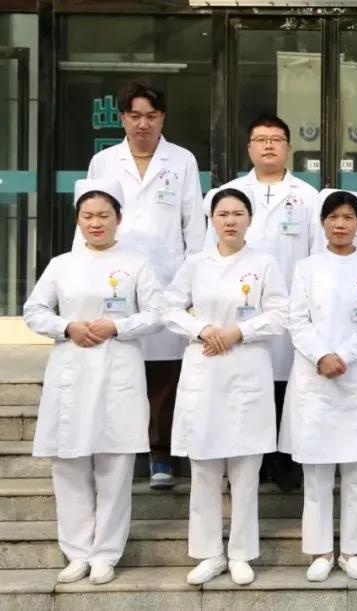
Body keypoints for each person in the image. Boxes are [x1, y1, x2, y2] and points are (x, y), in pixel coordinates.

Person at [25, 179, 163, 585]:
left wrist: (116, 326)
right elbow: (34, 310)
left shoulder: (136, 262)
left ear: (119, 218)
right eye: (88, 216)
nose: (96, 223)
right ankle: (77, 552)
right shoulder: (61, 264)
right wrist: (67, 326)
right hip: (72, 369)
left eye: (104, 215)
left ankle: (106, 553)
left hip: (118, 367)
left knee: (115, 465)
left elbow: (157, 314)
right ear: (78, 220)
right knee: (68, 466)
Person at [80, 81, 205, 489]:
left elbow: (194, 226)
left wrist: (195, 285)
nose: (143, 124)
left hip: (167, 278)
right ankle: (120, 449)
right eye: (135, 116)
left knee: (164, 370)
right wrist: (81, 277)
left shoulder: (181, 160)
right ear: (122, 118)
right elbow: (88, 218)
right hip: (113, 279)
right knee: (117, 366)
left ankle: (160, 454)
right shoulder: (103, 161)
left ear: (162, 118)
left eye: (151, 116)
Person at [165, 187, 289, 586]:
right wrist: (203, 329)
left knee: (245, 472)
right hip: (204, 368)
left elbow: (280, 314)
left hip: (247, 368)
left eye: (238, 213)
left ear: (250, 219)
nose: (230, 220)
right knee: (204, 471)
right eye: (223, 214)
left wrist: (239, 332)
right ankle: (208, 553)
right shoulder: (194, 265)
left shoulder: (264, 263)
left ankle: (240, 553)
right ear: (211, 220)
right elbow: (168, 308)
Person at [277, 190, 357, 583]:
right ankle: (321, 550)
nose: (340, 224)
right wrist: (322, 355)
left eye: (348, 217)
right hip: (315, 378)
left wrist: (344, 355)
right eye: (333, 217)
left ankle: (353, 550)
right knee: (317, 472)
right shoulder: (306, 268)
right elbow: (297, 319)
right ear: (322, 223)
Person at [211, 113, 321, 492]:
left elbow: (316, 255)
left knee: (288, 386)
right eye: (261, 139)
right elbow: (209, 254)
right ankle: (247, 464)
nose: (269, 145)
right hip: (236, 312)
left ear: (289, 147)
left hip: (291, 308)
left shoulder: (308, 196)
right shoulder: (228, 194)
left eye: (276, 139)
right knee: (245, 388)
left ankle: (285, 463)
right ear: (249, 148)